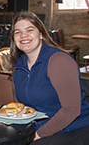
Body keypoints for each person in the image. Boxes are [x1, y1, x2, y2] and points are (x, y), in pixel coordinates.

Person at [10, 12, 89, 144]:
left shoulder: (58, 60)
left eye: (30, 30)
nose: (23, 35)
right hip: (40, 128)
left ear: (41, 34)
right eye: (17, 32)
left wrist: (37, 135)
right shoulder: (19, 67)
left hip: (72, 129)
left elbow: (71, 110)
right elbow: (21, 107)